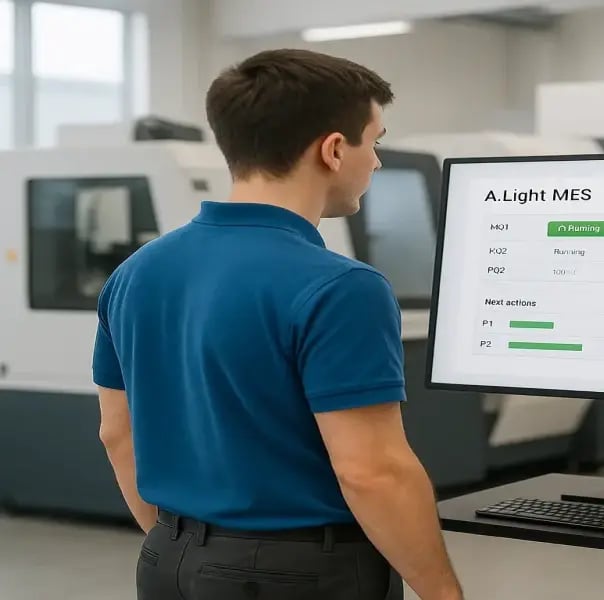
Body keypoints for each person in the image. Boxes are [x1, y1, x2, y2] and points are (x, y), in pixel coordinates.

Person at [92, 48, 463, 600]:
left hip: (167, 560)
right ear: (334, 150)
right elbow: (372, 472)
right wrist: (442, 592)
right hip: (300, 573)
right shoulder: (343, 288)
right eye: (375, 143)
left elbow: (117, 433)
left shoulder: (134, 273)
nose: (377, 164)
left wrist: (189, 546)